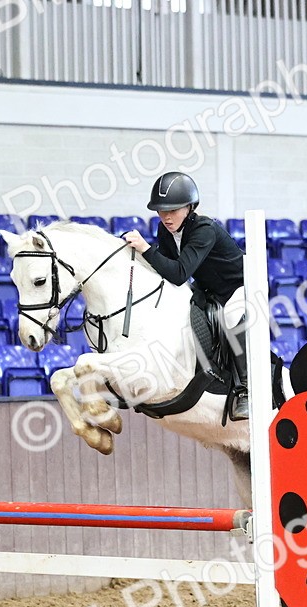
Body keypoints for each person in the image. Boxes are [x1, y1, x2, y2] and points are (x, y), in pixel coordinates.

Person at [121, 171, 250, 421]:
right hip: (207, 289)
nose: (166, 217)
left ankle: (245, 390)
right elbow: (166, 269)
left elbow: (179, 273)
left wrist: (146, 249)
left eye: (174, 210)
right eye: (161, 210)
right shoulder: (164, 230)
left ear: (190, 207)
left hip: (238, 288)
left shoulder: (205, 229)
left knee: (233, 317)